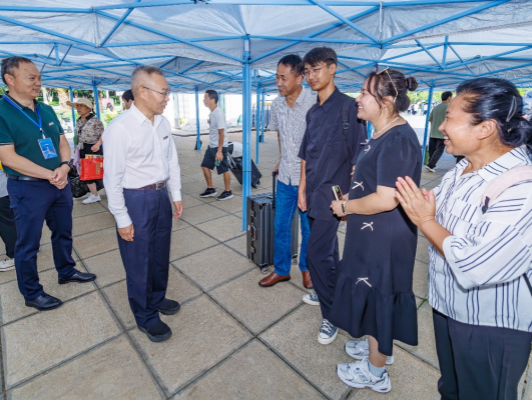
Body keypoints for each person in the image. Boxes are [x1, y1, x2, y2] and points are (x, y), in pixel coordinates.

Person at [396, 77, 532, 400]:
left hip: (489, 326)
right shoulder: (465, 167)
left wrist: (425, 220)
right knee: (453, 389)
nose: (441, 125)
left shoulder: (521, 188)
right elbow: (437, 205)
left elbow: (475, 265)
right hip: (449, 306)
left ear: (484, 128)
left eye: (451, 117)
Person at [329, 68, 421, 393]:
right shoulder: (380, 132)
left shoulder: (397, 138)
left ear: (387, 100)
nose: (359, 98)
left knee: (380, 291)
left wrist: (346, 207)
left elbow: (385, 200)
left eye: (366, 93)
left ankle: (376, 371)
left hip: (385, 236)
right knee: (370, 288)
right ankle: (376, 346)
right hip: (371, 234)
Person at [0, 57, 96, 311]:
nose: (38, 83)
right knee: (28, 244)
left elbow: (62, 140)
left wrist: (64, 167)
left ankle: (66, 270)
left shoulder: (46, 109)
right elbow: (8, 157)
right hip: (28, 187)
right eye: (31, 78)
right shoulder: (2, 112)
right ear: (10, 79)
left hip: (58, 181)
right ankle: (32, 293)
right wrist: (49, 174)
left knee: (63, 231)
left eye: (39, 78)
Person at [104, 65, 183, 343]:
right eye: (164, 92)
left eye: (168, 92)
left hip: (160, 196)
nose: (167, 98)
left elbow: (171, 159)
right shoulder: (119, 129)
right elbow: (110, 177)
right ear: (142, 92)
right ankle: (145, 316)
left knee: (160, 255)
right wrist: (121, 218)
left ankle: (157, 298)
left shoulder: (161, 123)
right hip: (135, 199)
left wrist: (176, 194)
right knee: (139, 261)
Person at [298, 47, 366, 345]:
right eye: (307, 72)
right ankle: (332, 290)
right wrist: (301, 190)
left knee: (314, 254)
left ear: (333, 68)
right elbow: (305, 155)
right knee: (327, 253)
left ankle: (332, 314)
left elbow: (360, 157)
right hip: (312, 194)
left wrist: (351, 198)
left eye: (317, 70)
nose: (311, 77)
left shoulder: (349, 108)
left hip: (333, 197)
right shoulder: (313, 111)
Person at [258, 54, 314, 289]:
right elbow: (280, 133)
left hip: (309, 179)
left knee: (309, 228)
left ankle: (307, 269)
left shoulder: (315, 102)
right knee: (280, 226)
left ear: (300, 77)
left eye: (283, 77)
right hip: (285, 178)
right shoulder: (277, 104)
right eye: (276, 78)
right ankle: (281, 270)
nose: (278, 83)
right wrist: (283, 158)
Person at [67, 98, 104, 204]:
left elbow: (103, 134)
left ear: (88, 108)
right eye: (77, 106)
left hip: (93, 148)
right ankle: (93, 192)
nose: (78, 108)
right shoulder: (79, 120)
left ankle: (95, 195)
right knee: (86, 171)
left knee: (90, 173)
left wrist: (97, 144)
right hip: (82, 148)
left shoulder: (95, 120)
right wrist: (77, 148)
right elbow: (79, 135)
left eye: (81, 106)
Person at [199, 90, 233, 201]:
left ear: (212, 99)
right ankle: (211, 189)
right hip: (212, 146)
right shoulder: (212, 112)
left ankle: (228, 191)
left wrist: (219, 151)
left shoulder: (218, 113)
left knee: (224, 169)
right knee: (205, 166)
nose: (204, 100)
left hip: (219, 147)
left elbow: (221, 133)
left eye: (205, 98)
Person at [425, 91, 453, 172]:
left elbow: (430, 119)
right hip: (442, 133)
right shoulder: (450, 107)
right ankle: (431, 165)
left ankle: (431, 164)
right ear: (449, 98)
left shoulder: (436, 107)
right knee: (439, 150)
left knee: (432, 149)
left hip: (433, 132)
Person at [0, 168, 16, 271]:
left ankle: (15, 256)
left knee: (6, 223)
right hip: (11, 182)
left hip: (2, 187)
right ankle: (29, 246)